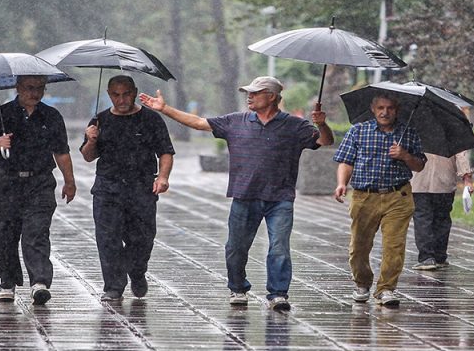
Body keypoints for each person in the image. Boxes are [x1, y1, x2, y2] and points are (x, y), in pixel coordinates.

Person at [139, 75, 333, 311]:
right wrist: (164, 109)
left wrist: (321, 124)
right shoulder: (235, 121)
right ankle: (238, 288)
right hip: (244, 196)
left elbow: (325, 141)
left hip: (280, 198)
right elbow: (198, 122)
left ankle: (278, 294)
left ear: (272, 97)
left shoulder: (295, 125)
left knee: (279, 248)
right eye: (248, 93)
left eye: (255, 93)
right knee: (236, 248)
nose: (249, 97)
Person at [0, 75, 76, 305]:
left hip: (40, 182)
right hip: (7, 182)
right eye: (29, 88)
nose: (34, 93)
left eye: (40, 88)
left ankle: (39, 282)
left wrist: (69, 181)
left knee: (37, 231)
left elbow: (61, 151)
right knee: (7, 232)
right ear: (18, 88)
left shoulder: (51, 116)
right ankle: (7, 282)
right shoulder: (0, 114)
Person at [80, 75, 175, 301]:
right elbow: (88, 156)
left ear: (134, 92)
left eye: (126, 94)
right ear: (109, 94)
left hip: (141, 187)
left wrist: (163, 177)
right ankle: (113, 286)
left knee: (142, 238)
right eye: (116, 95)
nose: (121, 100)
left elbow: (165, 151)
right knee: (108, 238)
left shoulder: (150, 119)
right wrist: (91, 140)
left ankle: (137, 271)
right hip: (108, 188)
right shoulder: (100, 120)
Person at [332, 93, 425, 307]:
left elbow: (420, 165)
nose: (385, 112)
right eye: (381, 108)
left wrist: (405, 156)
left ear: (397, 111)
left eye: (390, 108)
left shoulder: (408, 133)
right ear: (373, 109)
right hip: (365, 196)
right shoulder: (358, 131)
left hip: (398, 196)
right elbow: (346, 161)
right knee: (359, 245)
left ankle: (386, 289)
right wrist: (342, 183)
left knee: (394, 245)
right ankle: (362, 283)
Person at [410, 151, 473, 270]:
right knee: (442, 219)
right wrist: (467, 179)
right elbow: (460, 155)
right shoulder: (452, 138)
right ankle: (439, 256)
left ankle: (426, 257)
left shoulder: (418, 138)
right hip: (444, 182)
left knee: (422, 220)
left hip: (419, 183)